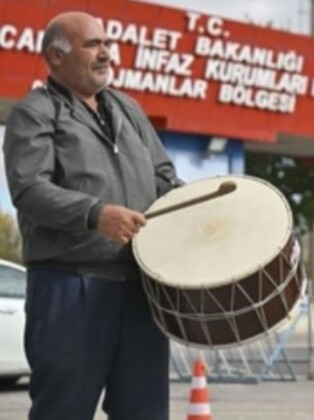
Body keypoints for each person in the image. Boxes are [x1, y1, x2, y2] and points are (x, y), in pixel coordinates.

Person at [3, 11, 181, 420]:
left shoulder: (129, 109)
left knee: (146, 412)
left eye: (106, 43)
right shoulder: (35, 112)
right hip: (70, 288)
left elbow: (163, 177)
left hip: (140, 289)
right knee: (63, 410)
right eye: (92, 45)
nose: (105, 53)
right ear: (56, 56)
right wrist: (94, 214)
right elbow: (29, 189)